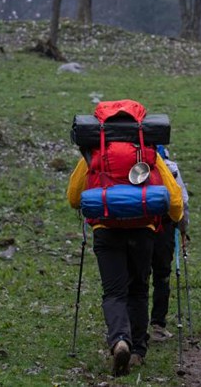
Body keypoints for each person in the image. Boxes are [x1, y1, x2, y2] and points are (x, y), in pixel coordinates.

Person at [66, 152, 183, 376]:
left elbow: (73, 198)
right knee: (138, 290)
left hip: (106, 229)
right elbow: (174, 198)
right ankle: (137, 350)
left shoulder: (94, 153)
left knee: (113, 293)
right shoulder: (148, 153)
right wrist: (175, 219)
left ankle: (120, 340)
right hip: (142, 229)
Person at [148, 145, 190, 344]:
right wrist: (183, 228)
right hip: (164, 228)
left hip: (137, 226)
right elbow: (181, 201)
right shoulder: (169, 166)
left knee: (136, 278)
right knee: (162, 275)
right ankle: (158, 325)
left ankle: (129, 327)